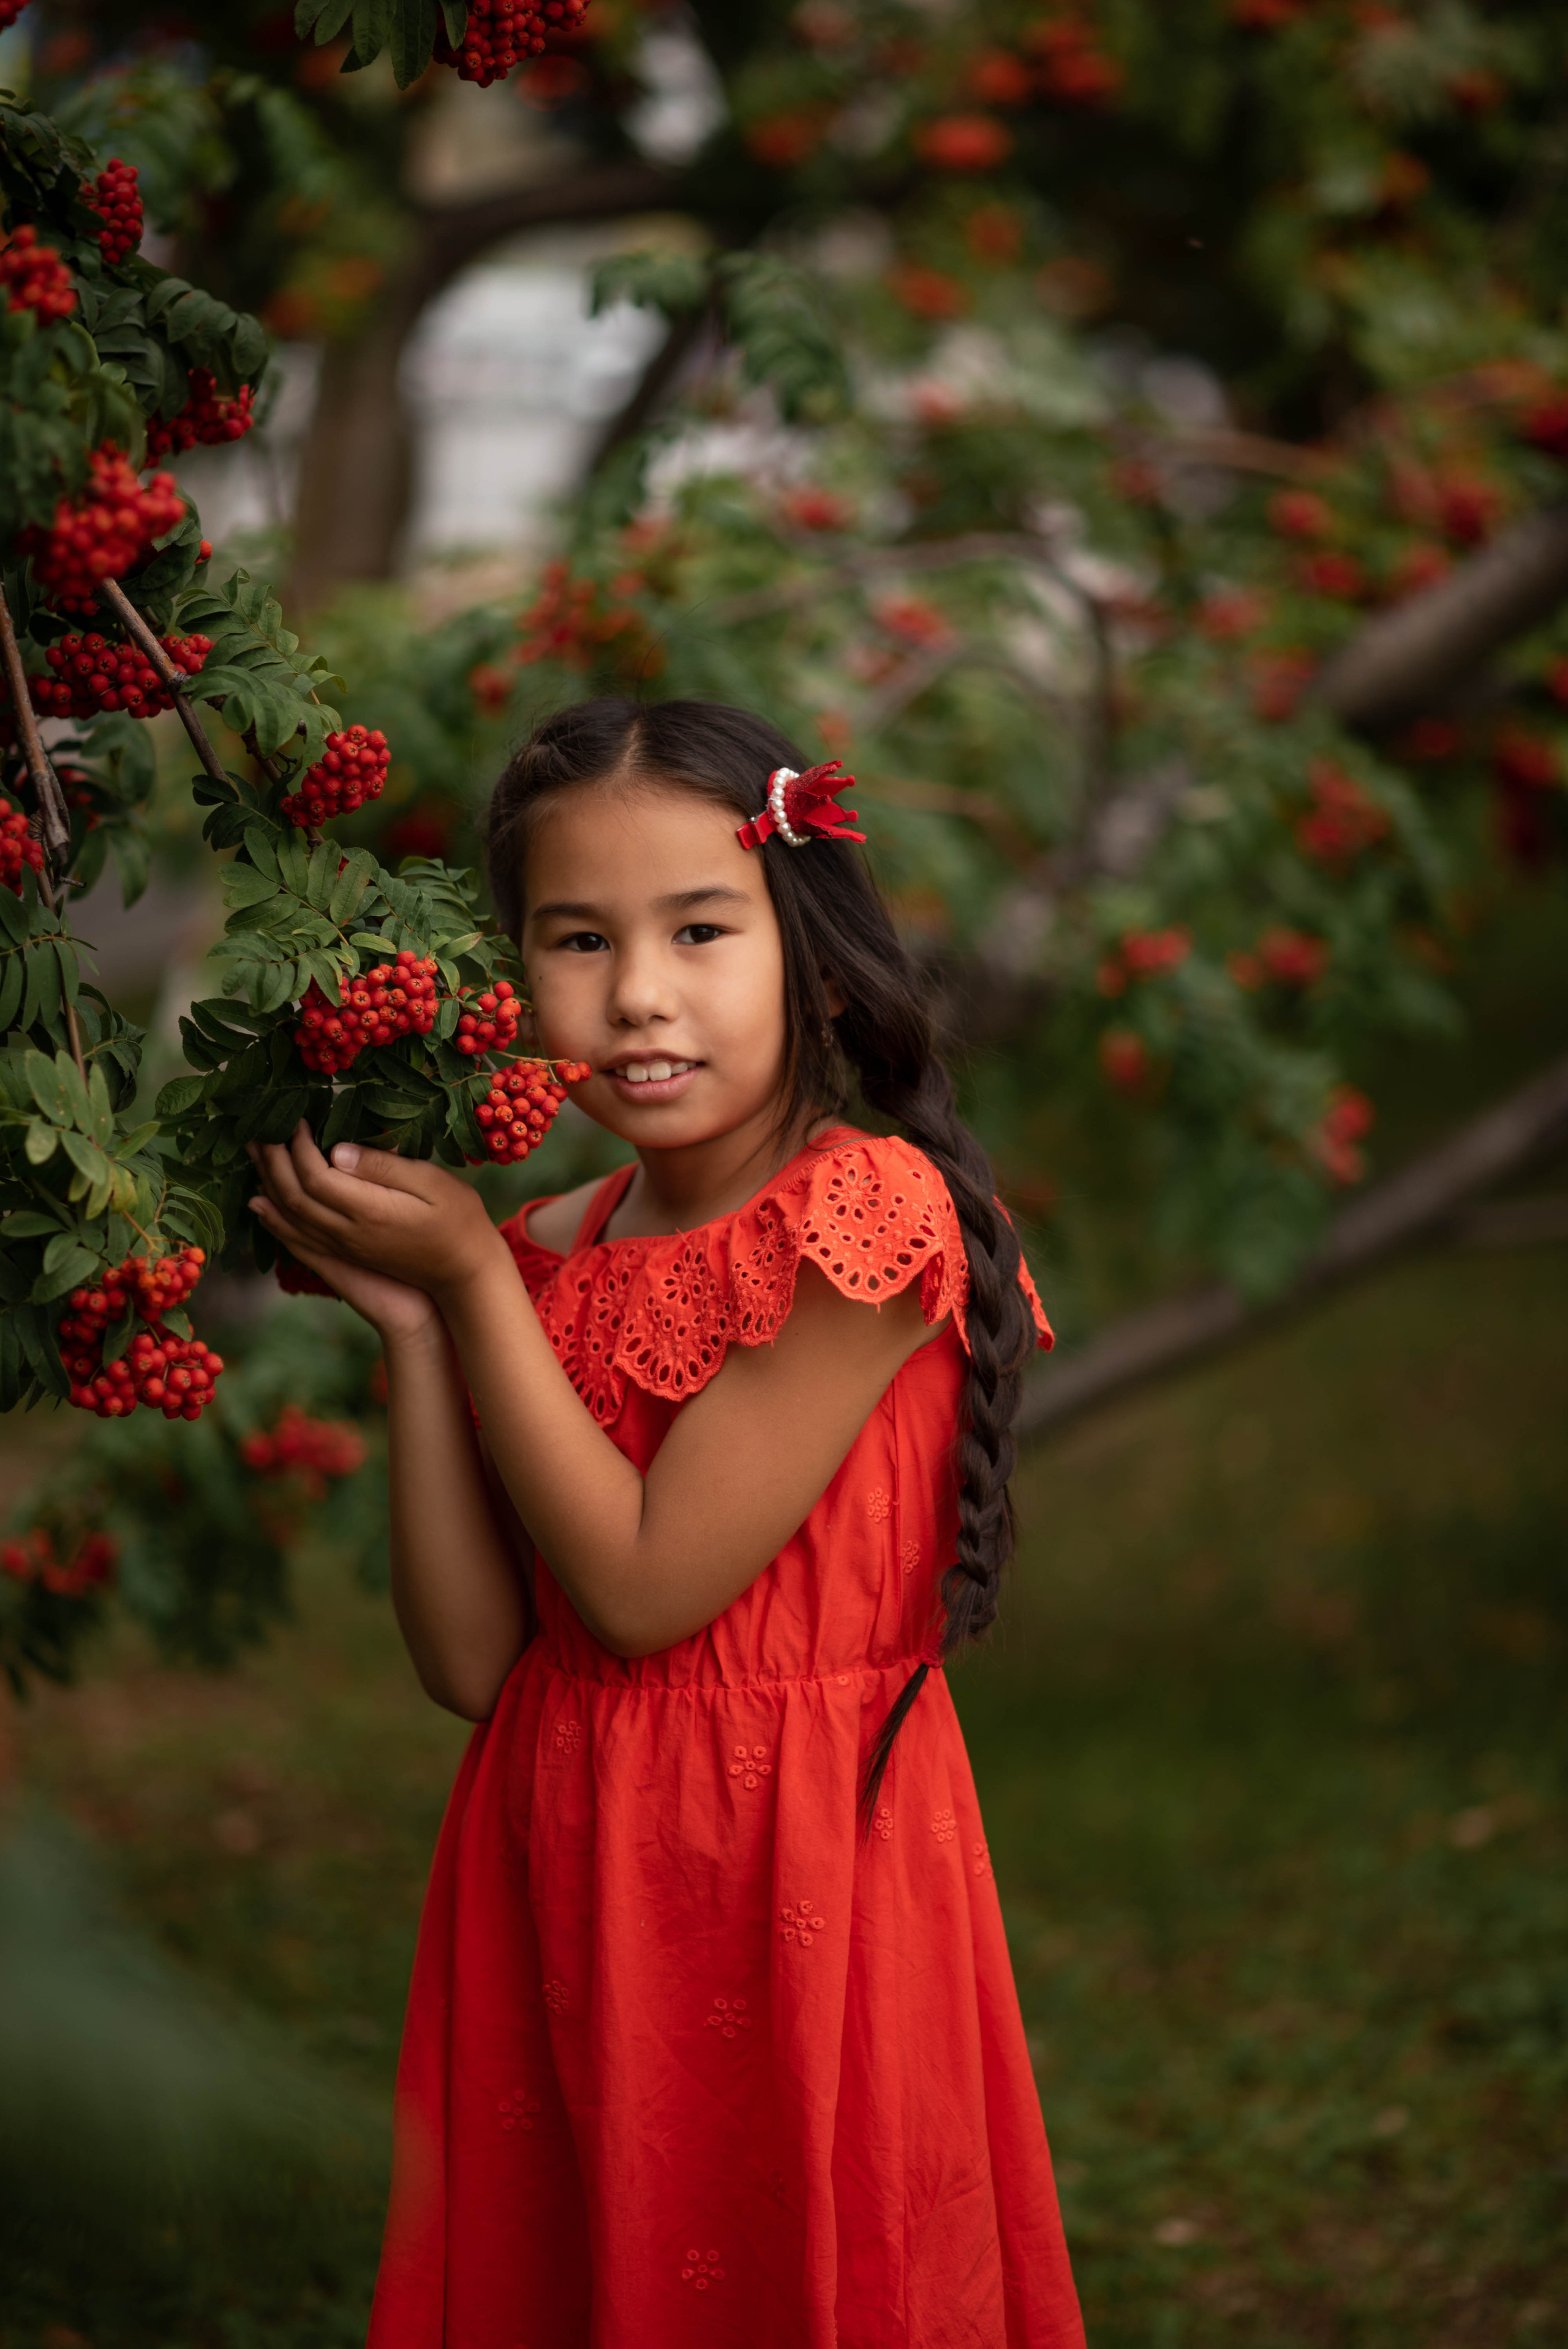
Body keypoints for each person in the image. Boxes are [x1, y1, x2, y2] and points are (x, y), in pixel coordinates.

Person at [247, 697, 1085, 2349]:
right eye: (577, 937)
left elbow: (638, 1593)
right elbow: (485, 1663)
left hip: (801, 1870)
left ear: (814, 956)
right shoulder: (553, 1244)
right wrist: (425, 1334)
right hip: (566, 1862)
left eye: (700, 929)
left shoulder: (866, 1217)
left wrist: (472, 1278)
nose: (638, 994)